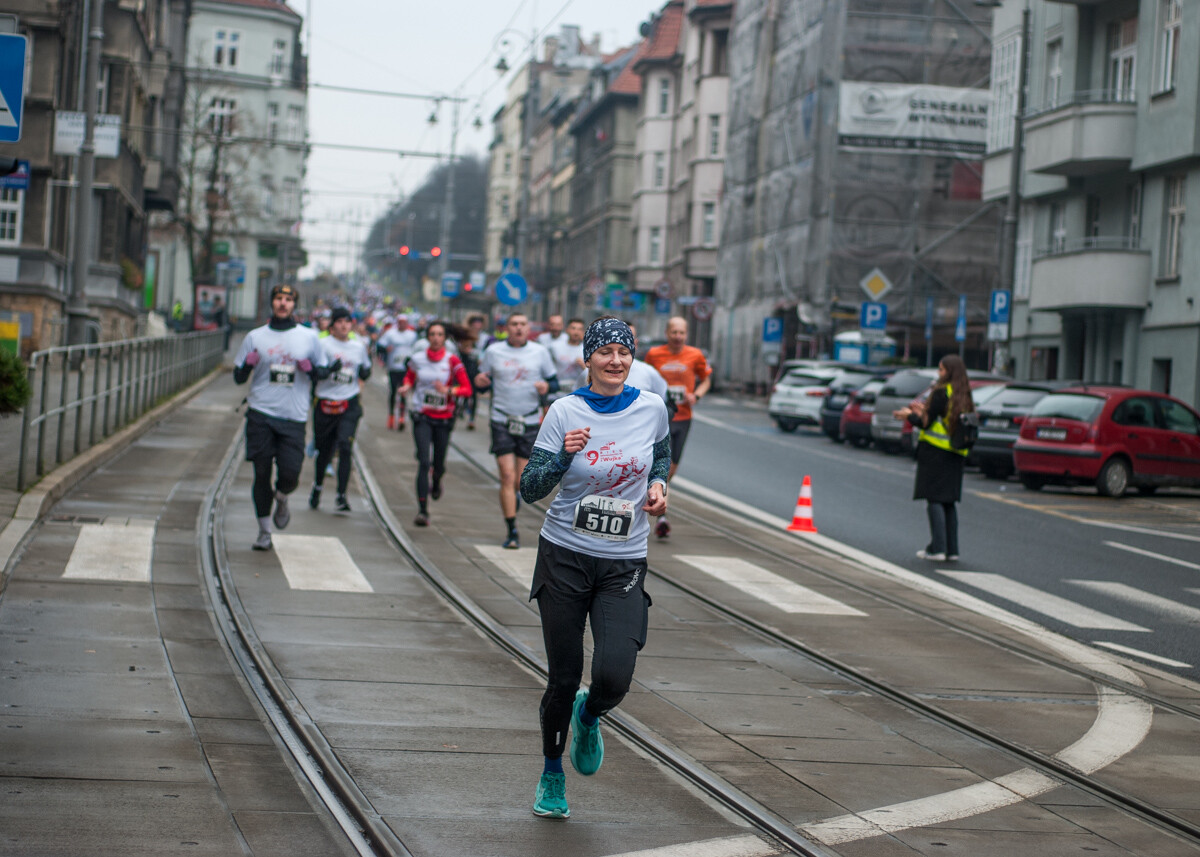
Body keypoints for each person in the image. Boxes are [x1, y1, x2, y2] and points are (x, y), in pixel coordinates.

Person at [519, 316, 670, 820]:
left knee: (613, 678)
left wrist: (658, 486)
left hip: (623, 560)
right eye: (604, 352)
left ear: (633, 358)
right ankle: (552, 776)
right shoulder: (564, 411)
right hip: (564, 555)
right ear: (587, 359)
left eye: (623, 352)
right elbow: (530, 487)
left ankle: (591, 713)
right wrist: (563, 458)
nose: (615, 361)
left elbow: (661, 455)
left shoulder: (652, 408)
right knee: (563, 678)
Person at [233, 284, 336, 551]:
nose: (283, 303)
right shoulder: (255, 337)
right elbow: (238, 378)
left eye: (288, 299)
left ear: (294, 305)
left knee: (290, 474)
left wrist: (311, 369)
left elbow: (323, 375)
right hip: (261, 413)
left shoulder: (309, 337)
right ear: (272, 303)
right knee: (262, 472)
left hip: (294, 416)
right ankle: (264, 531)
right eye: (278, 298)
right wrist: (248, 364)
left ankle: (282, 496)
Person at [474, 313, 559, 549]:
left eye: (523, 324)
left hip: (530, 420)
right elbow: (483, 381)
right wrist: (480, 381)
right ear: (506, 328)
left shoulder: (539, 352)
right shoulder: (494, 352)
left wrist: (545, 387)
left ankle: (515, 498)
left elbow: (553, 382)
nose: (519, 328)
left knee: (521, 481)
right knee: (506, 475)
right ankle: (512, 529)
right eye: (514, 324)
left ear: (528, 327)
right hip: (501, 417)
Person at [893, 354, 975, 562]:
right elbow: (943, 417)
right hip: (956, 452)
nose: (938, 374)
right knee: (949, 501)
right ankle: (951, 549)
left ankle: (937, 548)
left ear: (949, 372)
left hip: (935, 451)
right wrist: (924, 411)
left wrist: (909, 416)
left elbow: (926, 424)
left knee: (934, 499)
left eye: (941, 370)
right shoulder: (963, 393)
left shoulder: (940, 392)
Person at [642, 316, 712, 538]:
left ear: (686, 334)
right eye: (674, 332)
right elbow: (645, 379)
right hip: (660, 417)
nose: (678, 337)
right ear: (667, 333)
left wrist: (696, 395)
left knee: (671, 469)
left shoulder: (695, 355)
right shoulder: (654, 354)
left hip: (683, 418)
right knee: (660, 465)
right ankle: (662, 515)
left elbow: (706, 379)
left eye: (682, 333)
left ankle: (656, 495)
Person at [399, 321, 473, 527]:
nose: (436, 338)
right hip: (422, 416)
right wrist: (405, 387)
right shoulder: (417, 359)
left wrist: (449, 391)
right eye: (432, 334)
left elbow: (467, 389)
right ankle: (422, 510)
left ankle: (438, 479)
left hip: (443, 419)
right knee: (423, 461)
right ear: (427, 337)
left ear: (444, 338)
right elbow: (409, 376)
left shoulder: (452, 361)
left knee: (438, 463)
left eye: (440, 334)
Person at [309, 307, 372, 513]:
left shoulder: (358, 346)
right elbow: (314, 372)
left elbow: (365, 368)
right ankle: (317, 487)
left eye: (347, 321)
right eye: (339, 322)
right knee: (324, 450)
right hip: (326, 403)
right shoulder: (322, 344)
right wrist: (328, 371)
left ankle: (341, 495)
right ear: (332, 325)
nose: (344, 326)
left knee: (345, 446)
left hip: (349, 403)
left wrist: (365, 372)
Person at [378, 315, 418, 430]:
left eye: (404, 322)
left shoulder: (412, 335)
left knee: (404, 393)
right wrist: (386, 349)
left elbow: (417, 349)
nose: (402, 324)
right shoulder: (390, 334)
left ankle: (401, 417)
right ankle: (391, 415)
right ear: (397, 323)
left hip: (406, 369)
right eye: (400, 322)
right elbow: (379, 346)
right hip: (393, 367)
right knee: (393, 392)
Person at [547, 318, 586, 401]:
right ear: (567, 330)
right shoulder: (555, 347)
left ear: (583, 332)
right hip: (557, 393)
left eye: (579, 329)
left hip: (578, 394)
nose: (576, 332)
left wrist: (584, 366)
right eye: (573, 328)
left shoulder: (587, 350)